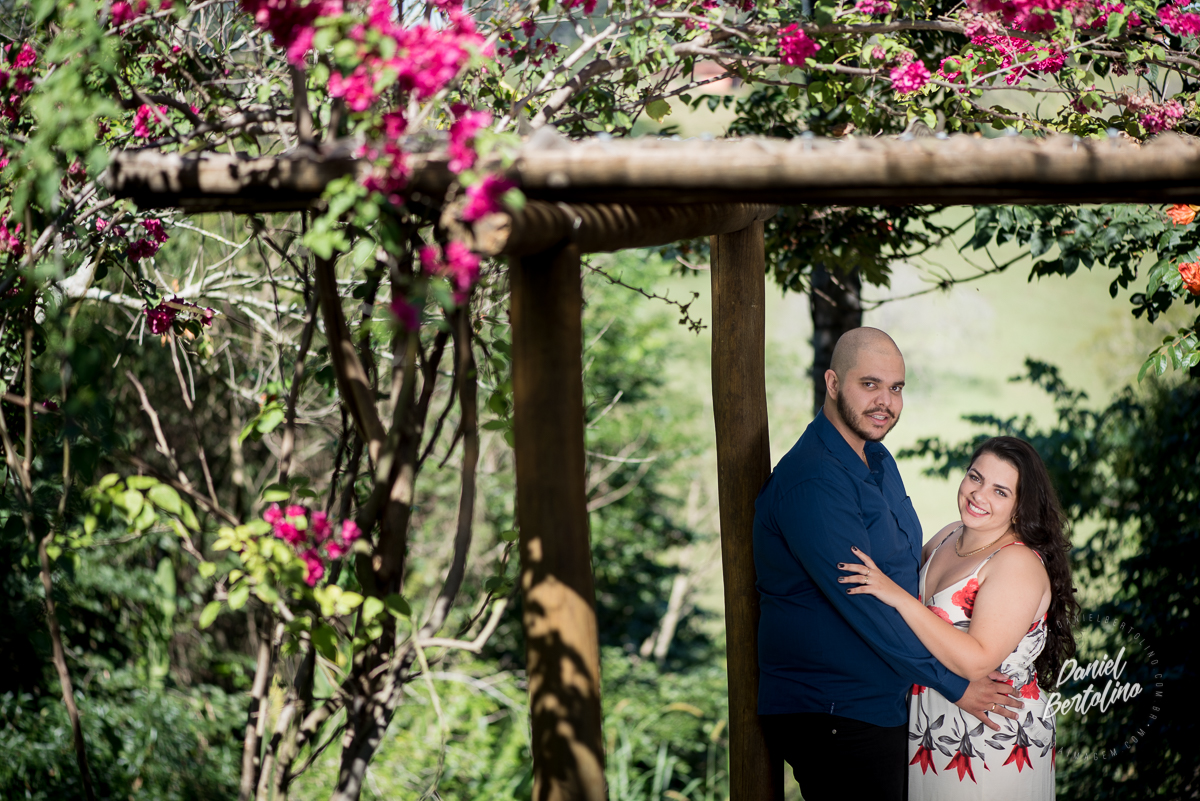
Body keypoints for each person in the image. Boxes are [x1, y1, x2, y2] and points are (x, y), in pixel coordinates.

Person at [754, 327, 1023, 801]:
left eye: (896, 387)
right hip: (835, 711)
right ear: (833, 383)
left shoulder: (877, 459)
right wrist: (956, 684)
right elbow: (865, 606)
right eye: (870, 384)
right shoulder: (815, 480)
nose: (886, 401)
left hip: (885, 701)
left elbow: (905, 567)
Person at [839, 436, 1078, 797]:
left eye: (1000, 491)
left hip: (992, 734)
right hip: (934, 724)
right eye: (975, 477)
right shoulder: (949, 535)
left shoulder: (1016, 563)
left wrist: (898, 597)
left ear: (1020, 507)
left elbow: (977, 659)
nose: (978, 494)